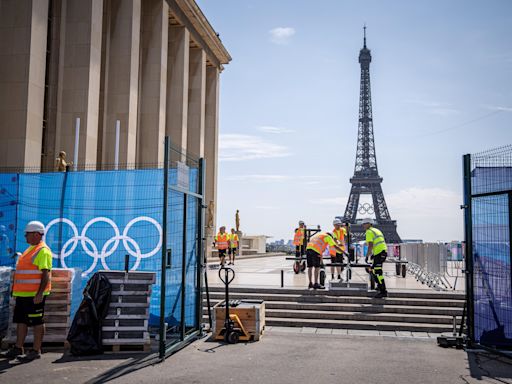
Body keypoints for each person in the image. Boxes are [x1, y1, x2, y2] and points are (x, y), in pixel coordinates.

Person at [1, 221, 52, 361]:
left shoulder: (43, 251)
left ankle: (36, 350)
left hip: (34, 295)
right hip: (23, 294)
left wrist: (40, 293)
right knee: (21, 320)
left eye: (27, 234)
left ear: (36, 234)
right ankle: (18, 347)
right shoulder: (30, 249)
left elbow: (45, 273)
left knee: (37, 321)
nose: (25, 237)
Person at [362, 218, 388, 298]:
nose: (363, 225)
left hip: (379, 253)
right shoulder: (377, 230)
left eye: (364, 223)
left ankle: (383, 291)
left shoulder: (369, 232)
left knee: (378, 272)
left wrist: (367, 256)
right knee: (373, 269)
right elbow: (378, 243)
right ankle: (379, 286)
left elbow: (370, 245)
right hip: (381, 252)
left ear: (369, 224)